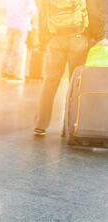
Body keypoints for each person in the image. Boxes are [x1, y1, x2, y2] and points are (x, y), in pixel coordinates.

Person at [34, 0, 105, 136]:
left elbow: (42, 12)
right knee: (75, 85)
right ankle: (68, 126)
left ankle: (40, 125)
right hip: (78, 39)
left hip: (55, 39)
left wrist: (44, 39)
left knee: (50, 82)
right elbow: (94, 12)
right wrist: (99, 36)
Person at [1, 0, 37, 83]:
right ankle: (12, 73)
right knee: (17, 50)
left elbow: (3, 7)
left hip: (10, 24)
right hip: (21, 25)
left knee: (8, 49)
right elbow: (31, 10)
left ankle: (4, 72)